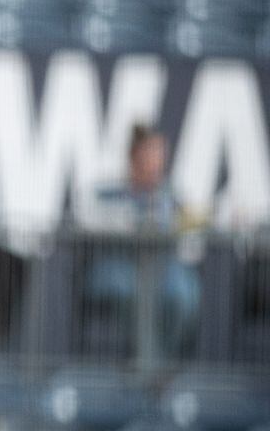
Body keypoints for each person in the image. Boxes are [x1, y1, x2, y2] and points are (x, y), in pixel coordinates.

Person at [83, 125, 202, 357]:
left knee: (184, 293)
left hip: (162, 268)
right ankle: (146, 365)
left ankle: (165, 364)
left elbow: (190, 231)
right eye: (151, 153)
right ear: (135, 156)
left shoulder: (170, 196)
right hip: (120, 266)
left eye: (160, 154)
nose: (156, 161)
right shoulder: (110, 194)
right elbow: (90, 221)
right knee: (133, 289)